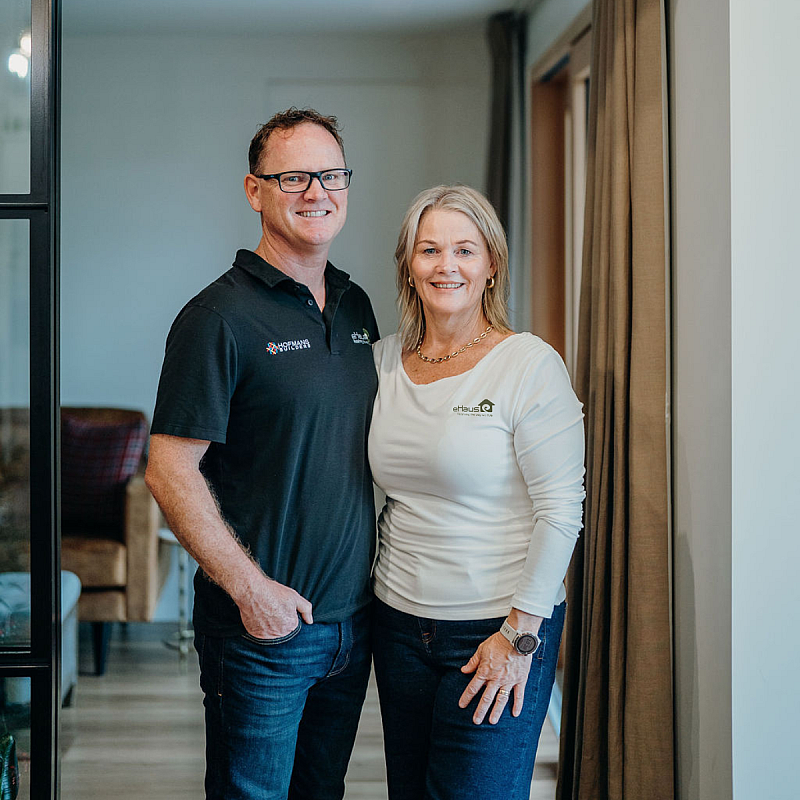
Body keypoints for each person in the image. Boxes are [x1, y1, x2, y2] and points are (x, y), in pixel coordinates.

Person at [144, 107, 379, 800]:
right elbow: (168, 469)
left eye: (331, 175)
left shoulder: (357, 307)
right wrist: (253, 593)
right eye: (294, 177)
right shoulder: (216, 318)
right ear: (255, 190)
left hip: (351, 624)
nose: (317, 191)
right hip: (261, 634)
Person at [368, 185, 585, 800]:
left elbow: (561, 510)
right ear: (409, 266)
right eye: (429, 250)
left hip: (498, 624)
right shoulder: (382, 362)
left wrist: (519, 636)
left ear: (491, 265)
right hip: (397, 622)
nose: (447, 266)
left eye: (465, 250)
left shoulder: (528, 364)